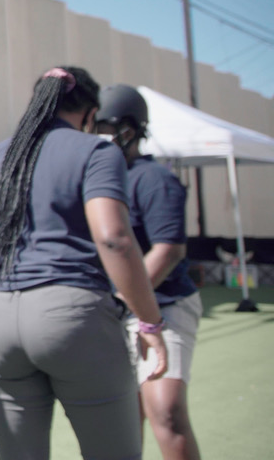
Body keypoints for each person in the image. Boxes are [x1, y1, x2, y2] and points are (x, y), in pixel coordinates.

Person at [0, 67, 170, 460]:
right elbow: (114, 238)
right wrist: (149, 321)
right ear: (89, 114)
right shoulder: (97, 151)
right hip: (72, 316)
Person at [95, 84, 202, 460]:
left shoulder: (154, 178)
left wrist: (126, 301)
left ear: (133, 129)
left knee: (166, 411)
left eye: (111, 126)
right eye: (98, 126)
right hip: (116, 312)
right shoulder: (97, 178)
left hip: (164, 304)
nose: (103, 136)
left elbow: (169, 250)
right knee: (125, 418)